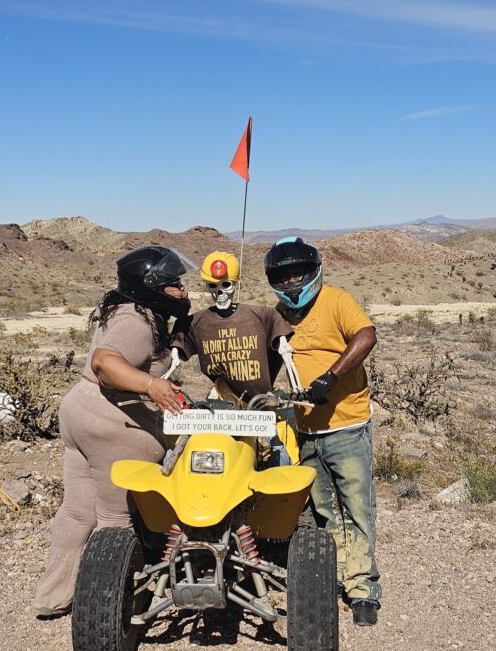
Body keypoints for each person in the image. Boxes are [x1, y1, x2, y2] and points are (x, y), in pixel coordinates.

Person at [32, 245, 191, 618]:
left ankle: (53, 596)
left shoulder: (124, 309)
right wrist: (152, 387)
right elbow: (105, 363)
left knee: (76, 512)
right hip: (113, 423)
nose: (182, 290)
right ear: (151, 286)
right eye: (174, 284)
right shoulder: (137, 323)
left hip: (80, 412)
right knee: (116, 520)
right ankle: (110, 607)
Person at [264, 236, 382, 626]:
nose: (292, 281)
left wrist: (331, 378)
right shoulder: (280, 314)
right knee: (321, 509)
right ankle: (330, 575)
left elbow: (366, 335)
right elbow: (265, 361)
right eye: (283, 275)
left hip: (346, 422)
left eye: (298, 272)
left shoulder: (336, 300)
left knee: (357, 505)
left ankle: (363, 588)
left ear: (313, 270)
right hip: (305, 428)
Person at [171, 251, 298, 465]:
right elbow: (176, 354)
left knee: (281, 457)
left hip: (261, 403)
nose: (220, 293)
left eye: (226, 285)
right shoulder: (196, 322)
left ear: (235, 284)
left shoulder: (262, 315)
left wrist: (297, 386)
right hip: (220, 401)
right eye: (213, 286)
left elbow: (284, 348)